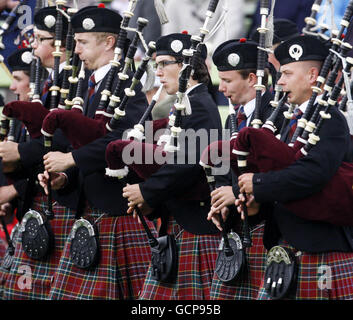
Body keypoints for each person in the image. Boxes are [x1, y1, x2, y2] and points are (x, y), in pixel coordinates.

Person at [39, 4, 156, 300]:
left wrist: (71, 160)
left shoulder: (127, 87)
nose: (75, 49)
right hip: (87, 208)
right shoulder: (85, 86)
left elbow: (126, 140)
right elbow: (82, 140)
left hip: (115, 208)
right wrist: (64, 178)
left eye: (82, 42)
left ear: (109, 43)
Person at [238, 34, 353, 299]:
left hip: (321, 247)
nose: (279, 81)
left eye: (287, 74)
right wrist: (256, 201)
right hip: (288, 246)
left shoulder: (330, 119)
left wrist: (258, 184)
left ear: (313, 76)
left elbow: (313, 175)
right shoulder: (290, 120)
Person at [121, 32, 223, 300]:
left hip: (195, 224)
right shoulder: (185, 104)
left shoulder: (199, 104)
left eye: (164, 63)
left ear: (186, 67)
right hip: (180, 220)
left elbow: (190, 162)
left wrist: (147, 190)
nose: (159, 73)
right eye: (156, 65)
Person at [0, 5, 76, 300]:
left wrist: (13, 187)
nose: (33, 43)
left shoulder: (71, 84)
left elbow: (65, 144)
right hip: (38, 203)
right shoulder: (48, 85)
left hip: (62, 204)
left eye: (40, 38)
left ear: (59, 44)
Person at [206, 38, 283, 300]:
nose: (222, 88)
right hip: (239, 229)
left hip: (269, 229)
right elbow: (227, 170)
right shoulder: (233, 117)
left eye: (228, 80)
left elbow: (281, 170)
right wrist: (221, 200)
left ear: (252, 78)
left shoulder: (277, 114)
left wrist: (237, 193)